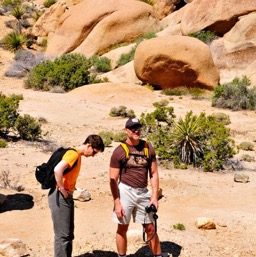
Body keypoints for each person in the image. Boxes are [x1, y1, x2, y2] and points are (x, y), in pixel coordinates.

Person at [109, 118, 162, 257]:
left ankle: (158, 255)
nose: (136, 131)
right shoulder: (119, 151)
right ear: (126, 130)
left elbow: (154, 173)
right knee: (122, 227)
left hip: (143, 192)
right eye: (132, 128)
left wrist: (154, 197)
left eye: (138, 127)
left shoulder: (148, 148)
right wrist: (117, 203)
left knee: (150, 227)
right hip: (125, 191)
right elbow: (113, 179)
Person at [48, 134, 105, 257]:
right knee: (63, 236)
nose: (93, 156)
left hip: (64, 195)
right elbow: (58, 170)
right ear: (89, 145)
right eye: (94, 152)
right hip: (59, 195)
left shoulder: (77, 155)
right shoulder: (73, 154)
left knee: (68, 233)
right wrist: (62, 189)